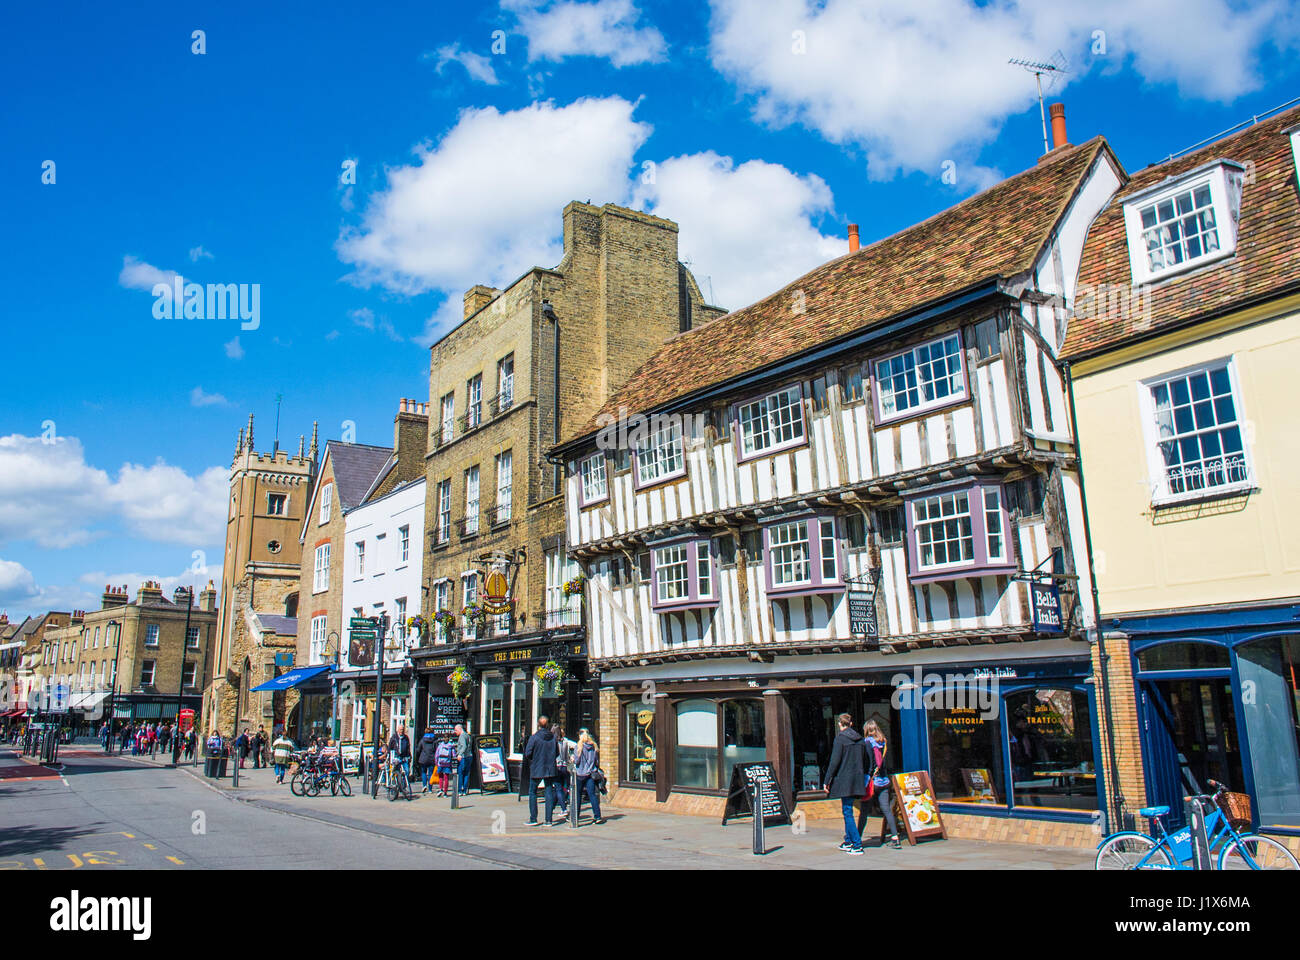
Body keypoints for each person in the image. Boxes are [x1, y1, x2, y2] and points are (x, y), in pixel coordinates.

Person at [823, 713, 867, 855]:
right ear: (851, 724)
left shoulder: (840, 739)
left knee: (847, 811)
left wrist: (827, 780)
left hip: (845, 780)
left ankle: (857, 844)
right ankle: (848, 840)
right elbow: (866, 759)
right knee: (848, 809)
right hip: (858, 779)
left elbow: (834, 761)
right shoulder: (861, 740)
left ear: (839, 724)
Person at [856, 719, 901, 849]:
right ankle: (895, 838)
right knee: (886, 809)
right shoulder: (883, 742)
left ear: (866, 730)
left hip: (872, 782)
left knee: (864, 811)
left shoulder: (866, 743)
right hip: (884, 781)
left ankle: (857, 838)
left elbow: (867, 764)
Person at [523, 715, 559, 826]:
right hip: (549, 768)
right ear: (547, 725)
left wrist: (534, 760)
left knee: (532, 792)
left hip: (537, 767)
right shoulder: (553, 737)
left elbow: (527, 753)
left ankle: (533, 818)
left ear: (538, 724)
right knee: (548, 792)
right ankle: (549, 820)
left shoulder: (534, 738)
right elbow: (557, 753)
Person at [573, 728, 606, 825]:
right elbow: (596, 762)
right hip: (590, 774)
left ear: (580, 736)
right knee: (592, 795)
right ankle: (597, 816)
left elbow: (577, 761)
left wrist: (573, 759)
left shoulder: (578, 747)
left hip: (580, 774)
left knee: (577, 795)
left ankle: (576, 816)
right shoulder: (593, 747)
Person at [552, 724, 574, 816]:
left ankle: (563, 809)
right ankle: (552, 806)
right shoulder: (565, 741)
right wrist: (571, 757)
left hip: (556, 767)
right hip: (565, 767)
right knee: (559, 788)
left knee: (558, 788)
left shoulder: (553, 742)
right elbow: (576, 745)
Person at [416, 727, 439, 793]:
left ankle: (424, 786)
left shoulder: (422, 740)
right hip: (432, 759)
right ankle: (430, 789)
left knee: (423, 772)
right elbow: (437, 749)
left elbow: (418, 749)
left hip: (423, 759)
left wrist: (418, 755)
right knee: (430, 774)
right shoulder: (435, 740)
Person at [454, 723, 473, 795]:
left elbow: (464, 746)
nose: (455, 732)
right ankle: (465, 790)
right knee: (466, 774)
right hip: (469, 756)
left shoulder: (461, 736)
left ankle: (460, 790)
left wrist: (459, 754)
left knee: (460, 773)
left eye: (456, 730)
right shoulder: (467, 735)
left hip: (463, 757)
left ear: (459, 729)